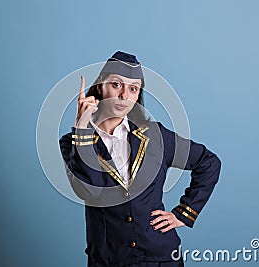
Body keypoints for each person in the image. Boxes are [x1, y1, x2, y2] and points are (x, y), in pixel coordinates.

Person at [59, 51, 221, 267]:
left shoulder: (155, 136)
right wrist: (82, 128)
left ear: (137, 96)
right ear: (100, 87)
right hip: (109, 260)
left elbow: (208, 162)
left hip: (161, 257)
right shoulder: (73, 141)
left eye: (133, 89)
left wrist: (183, 214)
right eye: (116, 85)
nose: (124, 95)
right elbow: (89, 191)